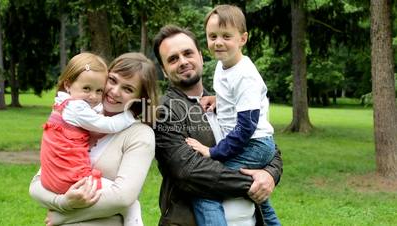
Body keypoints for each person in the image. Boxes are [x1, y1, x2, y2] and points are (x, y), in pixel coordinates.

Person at [153, 24, 283, 226]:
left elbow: (265, 145)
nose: (183, 61)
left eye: (188, 53)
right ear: (164, 70)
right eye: (173, 58)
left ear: (201, 57)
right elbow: (189, 172)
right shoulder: (164, 111)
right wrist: (253, 182)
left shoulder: (225, 98)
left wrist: (269, 174)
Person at [29, 52, 158, 226]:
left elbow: (122, 197)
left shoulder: (139, 134)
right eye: (112, 80)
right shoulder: (78, 121)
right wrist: (63, 202)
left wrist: (63, 215)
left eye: (128, 89)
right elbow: (37, 185)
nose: (114, 91)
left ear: (139, 99)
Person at [184, 5, 280, 226]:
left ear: (242, 39)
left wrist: (213, 152)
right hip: (254, 143)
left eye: (226, 36)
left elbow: (246, 127)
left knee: (206, 190)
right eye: (212, 36)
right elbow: (236, 99)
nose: (218, 42)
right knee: (257, 194)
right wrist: (218, 101)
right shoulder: (224, 65)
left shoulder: (245, 76)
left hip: (254, 145)